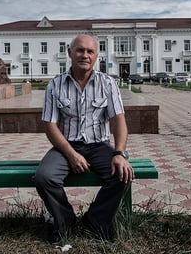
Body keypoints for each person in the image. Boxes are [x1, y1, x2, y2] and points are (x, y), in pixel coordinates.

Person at [34, 34, 134, 243]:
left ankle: (96, 221)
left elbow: (118, 120)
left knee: (122, 174)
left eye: (90, 51)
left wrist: (119, 153)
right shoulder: (56, 84)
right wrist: (71, 155)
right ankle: (64, 220)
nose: (85, 55)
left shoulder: (108, 83)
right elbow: (50, 126)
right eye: (80, 50)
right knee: (44, 177)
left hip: (99, 146)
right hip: (66, 145)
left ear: (97, 56)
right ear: (70, 53)